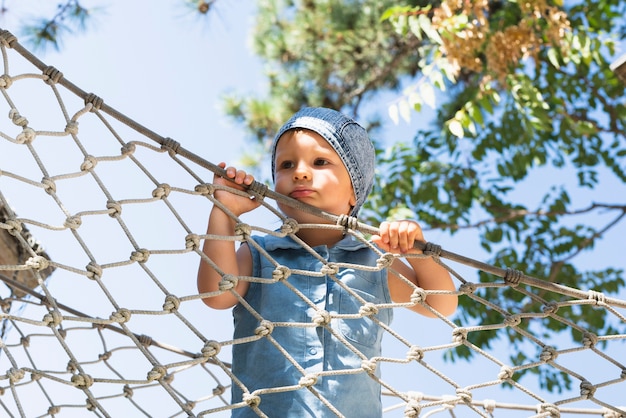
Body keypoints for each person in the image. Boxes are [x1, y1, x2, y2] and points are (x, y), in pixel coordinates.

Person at [197, 107, 457, 417]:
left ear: (354, 193)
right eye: (286, 164)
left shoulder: (373, 261)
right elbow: (216, 293)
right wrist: (224, 212)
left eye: (320, 162)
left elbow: (440, 304)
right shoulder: (261, 253)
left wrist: (417, 251)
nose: (300, 172)